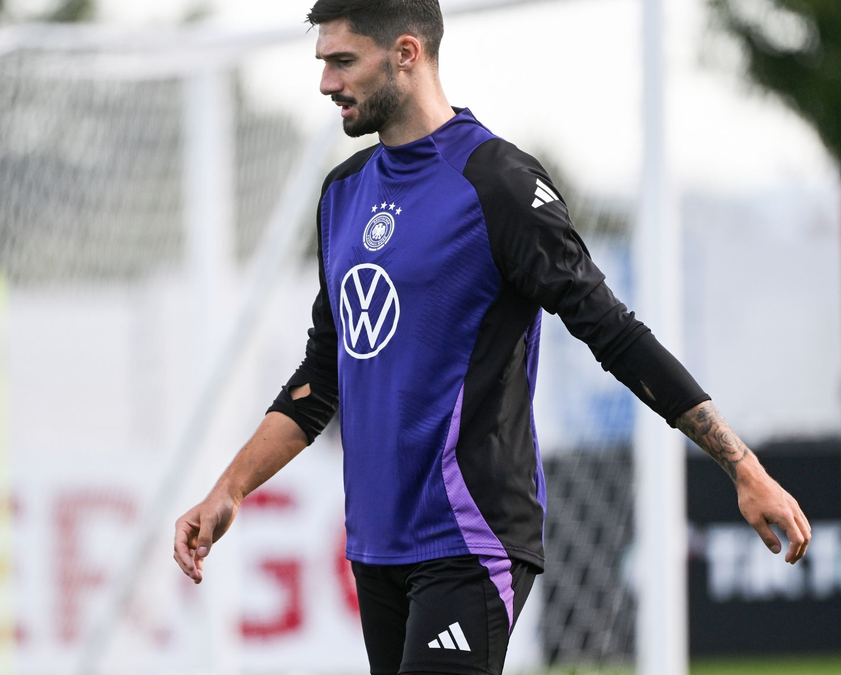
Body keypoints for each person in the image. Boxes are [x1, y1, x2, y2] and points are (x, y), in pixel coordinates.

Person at [172, 2, 812, 674]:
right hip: (375, 546)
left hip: (469, 535)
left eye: (342, 61)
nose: (327, 82)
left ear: (406, 54)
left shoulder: (497, 182)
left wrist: (743, 467)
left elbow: (614, 332)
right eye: (324, 63)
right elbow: (321, 375)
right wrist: (230, 490)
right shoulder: (343, 194)